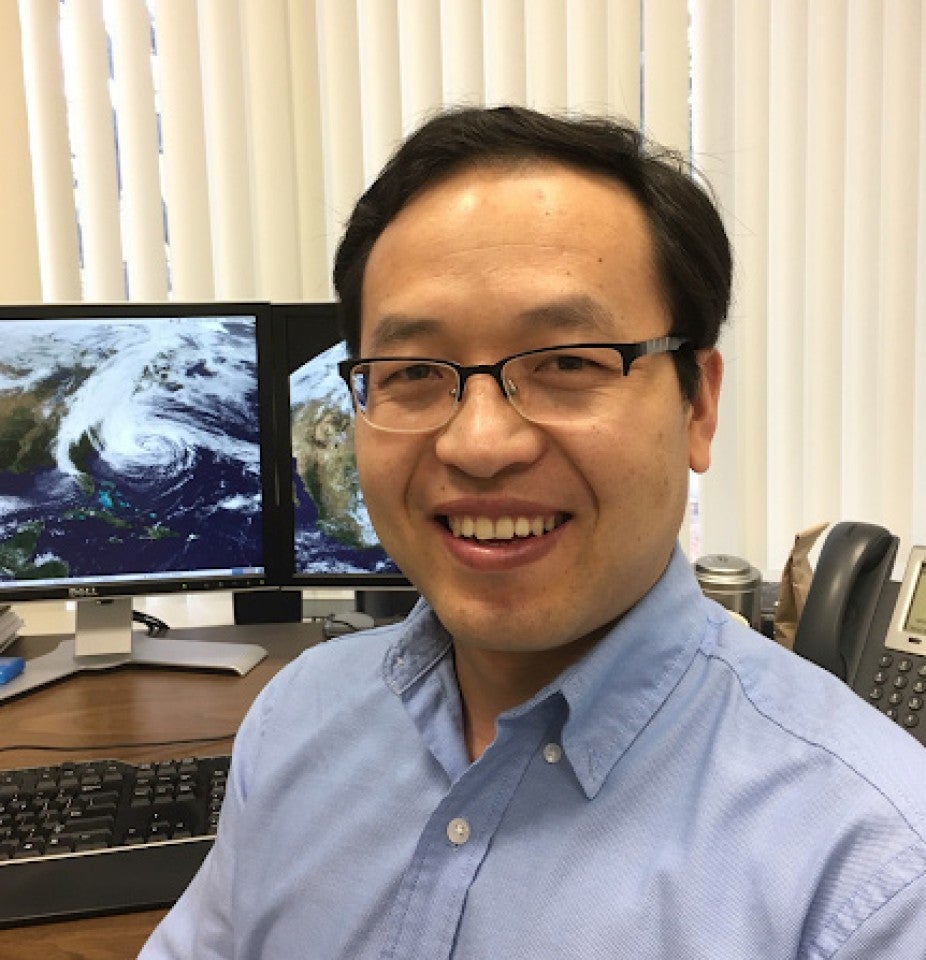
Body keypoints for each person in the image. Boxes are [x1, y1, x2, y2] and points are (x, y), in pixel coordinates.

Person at [140, 106, 926, 959]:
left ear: (697, 403)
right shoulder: (297, 719)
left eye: (567, 362)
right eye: (412, 372)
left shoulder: (870, 873)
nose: (478, 444)